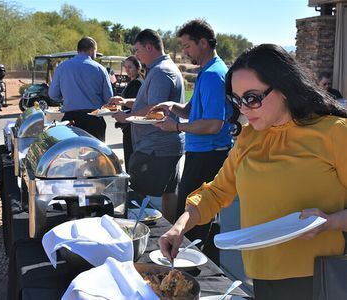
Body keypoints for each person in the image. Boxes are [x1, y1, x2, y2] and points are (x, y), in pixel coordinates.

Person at [159, 44, 347, 300]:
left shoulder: (335, 132)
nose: (244, 109)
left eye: (252, 98)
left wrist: (332, 222)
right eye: (236, 100)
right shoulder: (249, 138)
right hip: (261, 275)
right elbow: (216, 192)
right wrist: (178, 227)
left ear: (284, 88)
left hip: (320, 279)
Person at [151, 19, 232, 266]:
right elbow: (196, 112)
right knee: (197, 219)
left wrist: (175, 126)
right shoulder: (209, 71)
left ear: (203, 43)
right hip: (203, 154)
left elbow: (213, 124)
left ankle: (190, 272)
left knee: (191, 221)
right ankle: (200, 267)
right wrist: (174, 107)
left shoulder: (212, 75)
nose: (185, 51)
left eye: (188, 46)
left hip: (207, 156)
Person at [111, 29, 184, 221]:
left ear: (149, 47)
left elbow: (154, 107)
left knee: (136, 192)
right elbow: (149, 101)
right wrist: (126, 102)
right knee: (169, 190)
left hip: (155, 146)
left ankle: (139, 230)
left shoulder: (161, 71)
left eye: (138, 50)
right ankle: (168, 230)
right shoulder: (163, 68)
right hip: (165, 144)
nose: (137, 55)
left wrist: (126, 118)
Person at [48, 37, 113, 142]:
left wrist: (67, 97)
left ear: (78, 50)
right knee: (95, 155)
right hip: (94, 120)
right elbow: (108, 97)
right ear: (92, 50)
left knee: (70, 154)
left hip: (70, 120)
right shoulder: (100, 68)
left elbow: (53, 94)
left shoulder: (62, 67)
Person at [114, 56, 143, 171]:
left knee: (130, 157)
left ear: (138, 67)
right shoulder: (135, 81)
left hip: (131, 126)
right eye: (125, 67)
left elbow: (134, 107)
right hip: (130, 125)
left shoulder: (136, 83)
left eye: (130, 67)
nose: (127, 70)